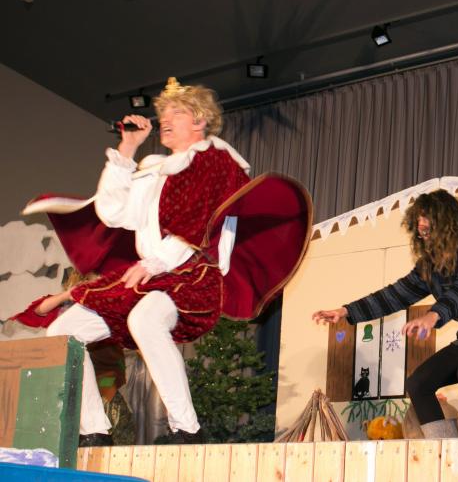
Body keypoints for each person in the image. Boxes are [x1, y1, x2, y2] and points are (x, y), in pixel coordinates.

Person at [24, 78, 311, 446]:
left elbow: (198, 223)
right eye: (164, 113)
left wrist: (154, 263)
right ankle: (93, 429)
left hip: (193, 275)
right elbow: (115, 213)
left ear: (200, 120)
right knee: (63, 333)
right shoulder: (155, 169)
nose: (166, 120)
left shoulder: (215, 160)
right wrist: (127, 149)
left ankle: (187, 428)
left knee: (144, 320)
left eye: (177, 112)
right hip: (151, 277)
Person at [312, 189, 458, 438]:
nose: (423, 234)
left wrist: (434, 315)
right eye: (421, 231)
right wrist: (346, 311)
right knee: (418, 383)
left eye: (428, 229)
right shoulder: (430, 266)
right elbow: (395, 294)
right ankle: (443, 449)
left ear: (447, 223)